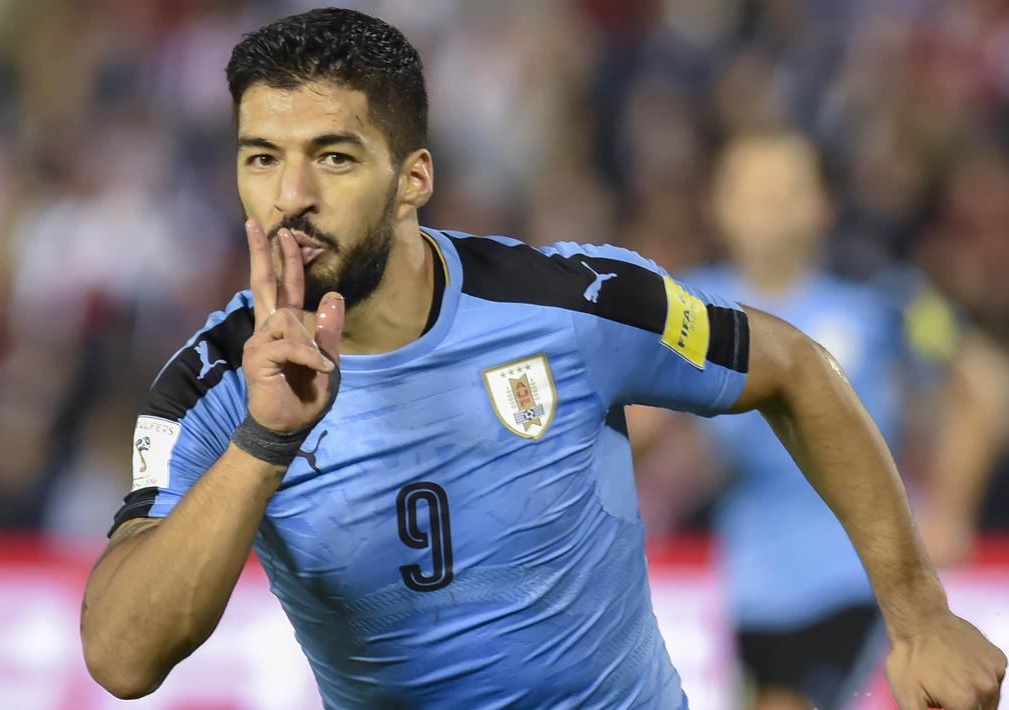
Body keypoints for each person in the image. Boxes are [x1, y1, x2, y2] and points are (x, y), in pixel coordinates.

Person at [79, 8, 1006, 708]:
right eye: (259, 157)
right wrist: (262, 439)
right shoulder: (206, 388)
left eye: (332, 157)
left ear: (413, 179)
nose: (288, 196)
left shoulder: (577, 305)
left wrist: (919, 614)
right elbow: (122, 658)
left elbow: (792, 366)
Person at [676, 131, 972, 709]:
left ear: (821, 205)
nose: (769, 207)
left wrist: (952, 504)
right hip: (753, 583)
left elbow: (978, 385)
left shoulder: (882, 295)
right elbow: (633, 419)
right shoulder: (688, 305)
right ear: (718, 205)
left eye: (785, 191)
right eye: (753, 191)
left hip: (859, 569)